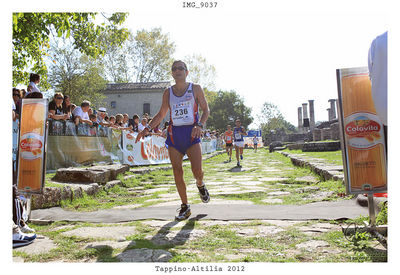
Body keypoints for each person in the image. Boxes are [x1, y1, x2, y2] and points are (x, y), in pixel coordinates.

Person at [135, 60, 210, 221]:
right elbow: (161, 114)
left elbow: (206, 110)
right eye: (174, 69)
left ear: (186, 72)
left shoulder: (195, 88)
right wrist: (147, 129)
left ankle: (200, 184)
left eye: (180, 68)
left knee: (197, 171)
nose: (177, 71)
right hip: (174, 134)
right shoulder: (167, 92)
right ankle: (185, 206)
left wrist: (200, 125)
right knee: (177, 171)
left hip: (192, 133)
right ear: (172, 73)